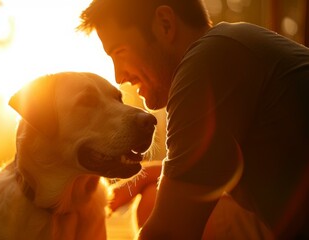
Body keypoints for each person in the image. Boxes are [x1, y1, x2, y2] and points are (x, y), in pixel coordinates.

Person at [77, 0, 309, 239]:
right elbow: (211, 176)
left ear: (165, 24)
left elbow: (170, 232)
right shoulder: (231, 46)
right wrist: (152, 174)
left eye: (119, 52)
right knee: (152, 197)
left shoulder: (209, 61)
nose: (119, 76)